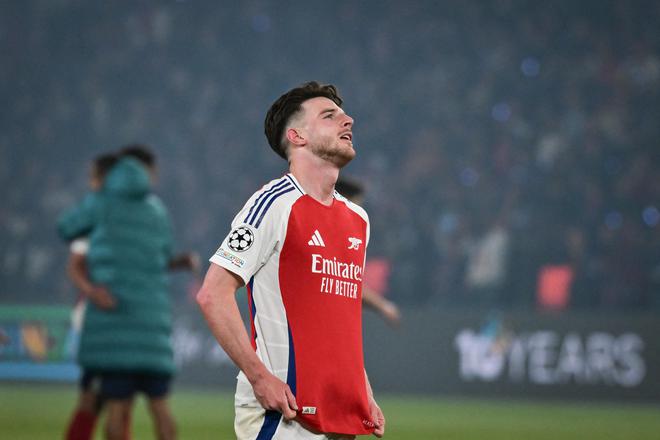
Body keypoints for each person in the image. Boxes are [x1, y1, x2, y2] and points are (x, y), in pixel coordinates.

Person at [196, 81, 385, 439]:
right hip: (285, 414)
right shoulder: (273, 204)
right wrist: (259, 378)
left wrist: (364, 390)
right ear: (297, 136)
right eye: (329, 116)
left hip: (340, 414)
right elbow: (212, 294)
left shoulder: (357, 219)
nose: (348, 120)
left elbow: (339, 318)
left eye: (344, 115)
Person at [58, 145, 198, 440]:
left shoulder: (100, 208)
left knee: (107, 404)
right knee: (157, 406)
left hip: (112, 320)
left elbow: (70, 242)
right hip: (150, 322)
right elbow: (158, 258)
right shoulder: (156, 210)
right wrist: (178, 262)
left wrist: (93, 291)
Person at [64, 152, 119, 440]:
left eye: (94, 177)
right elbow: (74, 266)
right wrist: (93, 293)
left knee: (111, 398)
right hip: (100, 318)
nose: (91, 183)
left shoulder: (124, 215)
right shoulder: (95, 215)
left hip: (121, 316)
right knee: (104, 398)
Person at [335, 176, 401, 327]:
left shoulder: (349, 236)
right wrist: (382, 306)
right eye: (356, 205)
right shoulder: (324, 235)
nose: (358, 211)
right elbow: (344, 282)